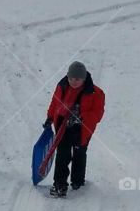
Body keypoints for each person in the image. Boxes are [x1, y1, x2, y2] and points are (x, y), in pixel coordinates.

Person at [45, 61, 105, 198]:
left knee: (79, 153)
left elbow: (98, 113)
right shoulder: (62, 86)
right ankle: (59, 184)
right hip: (63, 127)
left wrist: (80, 115)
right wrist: (49, 117)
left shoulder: (96, 92)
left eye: (77, 79)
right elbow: (55, 102)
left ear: (83, 79)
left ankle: (77, 181)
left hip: (82, 129)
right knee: (62, 155)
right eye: (71, 78)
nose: (73, 81)